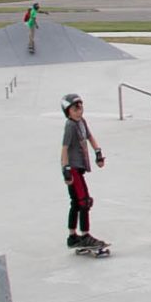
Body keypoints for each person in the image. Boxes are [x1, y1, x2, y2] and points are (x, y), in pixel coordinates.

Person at [59, 93, 106, 250]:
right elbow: (64, 149)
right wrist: (65, 170)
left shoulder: (82, 122)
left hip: (79, 168)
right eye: (75, 109)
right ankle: (85, 235)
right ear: (68, 111)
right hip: (72, 169)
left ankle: (72, 237)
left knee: (76, 202)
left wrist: (98, 153)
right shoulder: (70, 126)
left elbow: (90, 137)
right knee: (83, 201)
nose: (79, 111)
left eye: (80, 107)